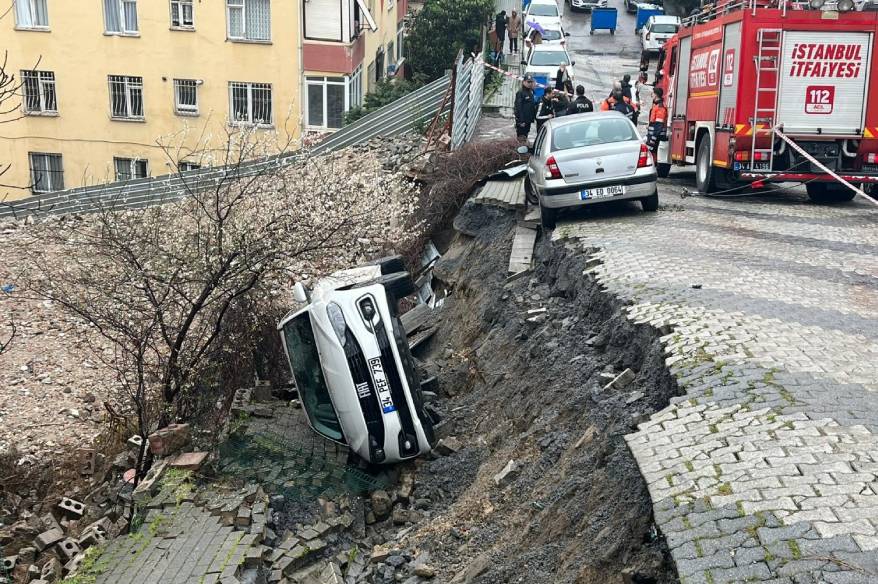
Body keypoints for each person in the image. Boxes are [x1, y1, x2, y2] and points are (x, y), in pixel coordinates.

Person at [514, 75, 537, 142]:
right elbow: (518, 107)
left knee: (526, 135)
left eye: (531, 82)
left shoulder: (531, 92)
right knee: (521, 137)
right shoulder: (520, 93)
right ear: (524, 82)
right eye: (528, 82)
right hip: (522, 120)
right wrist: (521, 120)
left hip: (528, 119)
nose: (530, 84)